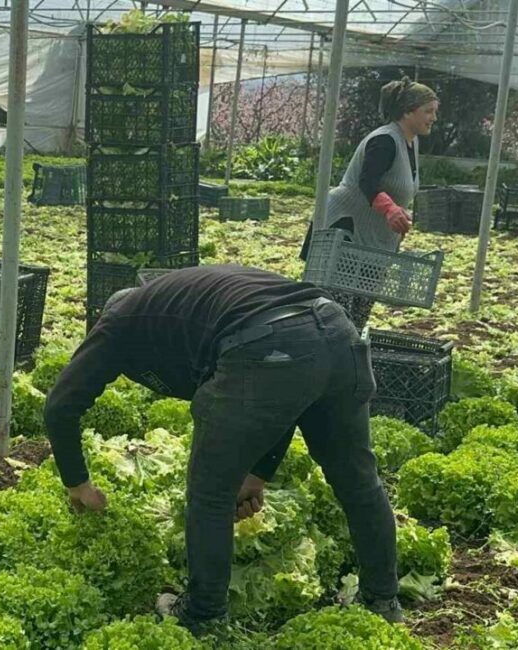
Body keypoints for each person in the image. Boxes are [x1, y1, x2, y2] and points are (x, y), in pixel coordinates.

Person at [43, 265, 402, 635]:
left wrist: (78, 485)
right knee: (359, 481)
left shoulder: (118, 323)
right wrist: (257, 474)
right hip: (336, 332)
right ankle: (382, 601)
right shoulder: (182, 305)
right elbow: (283, 396)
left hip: (268, 341)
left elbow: (60, 407)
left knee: (210, 492)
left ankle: (203, 615)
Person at [301, 77, 439, 329]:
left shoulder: (410, 141)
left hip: (373, 236)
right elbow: (367, 182)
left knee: (359, 311)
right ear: (408, 111)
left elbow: (396, 188)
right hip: (345, 230)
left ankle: (347, 360)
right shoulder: (384, 140)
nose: (434, 118)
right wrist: (390, 209)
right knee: (335, 312)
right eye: (428, 111)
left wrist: (398, 214)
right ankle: (328, 359)